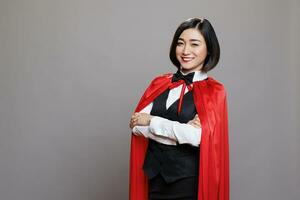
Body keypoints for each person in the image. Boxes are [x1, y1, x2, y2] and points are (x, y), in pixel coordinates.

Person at [129, 17, 229, 200]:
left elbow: (196, 137)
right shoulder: (159, 83)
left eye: (195, 44)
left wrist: (152, 121)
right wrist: (180, 132)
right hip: (153, 180)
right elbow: (136, 126)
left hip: (188, 184)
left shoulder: (214, 91)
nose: (185, 51)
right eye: (180, 43)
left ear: (208, 50)